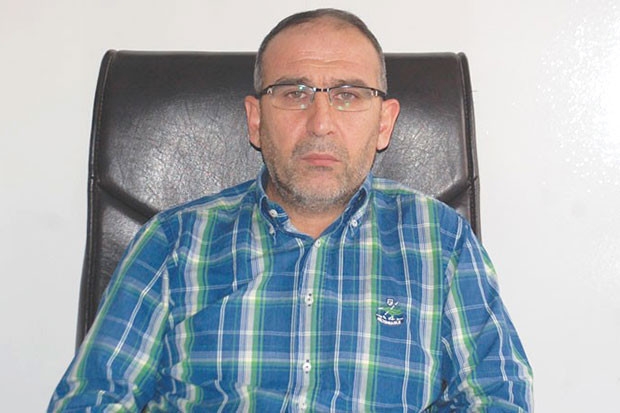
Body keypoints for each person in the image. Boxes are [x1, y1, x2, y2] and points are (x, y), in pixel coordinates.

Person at [49, 8, 533, 412]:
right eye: (294, 94)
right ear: (256, 120)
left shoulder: (441, 241)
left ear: (384, 123)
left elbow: (498, 397)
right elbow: (93, 400)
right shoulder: (173, 242)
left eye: (348, 95)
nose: (320, 123)